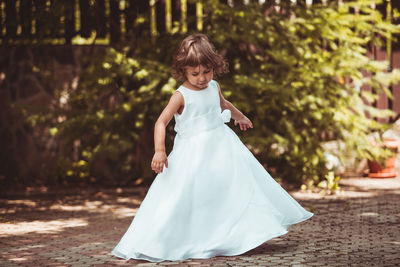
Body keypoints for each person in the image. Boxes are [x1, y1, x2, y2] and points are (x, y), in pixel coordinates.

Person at [111, 33, 313, 262]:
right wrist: (159, 150)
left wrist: (240, 117)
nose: (202, 78)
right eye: (195, 73)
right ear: (183, 70)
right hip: (193, 154)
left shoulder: (213, 86)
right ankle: (176, 237)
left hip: (222, 147)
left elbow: (223, 104)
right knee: (188, 195)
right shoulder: (181, 96)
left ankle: (234, 236)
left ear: (214, 67)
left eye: (207, 71)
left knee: (231, 188)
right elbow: (161, 122)